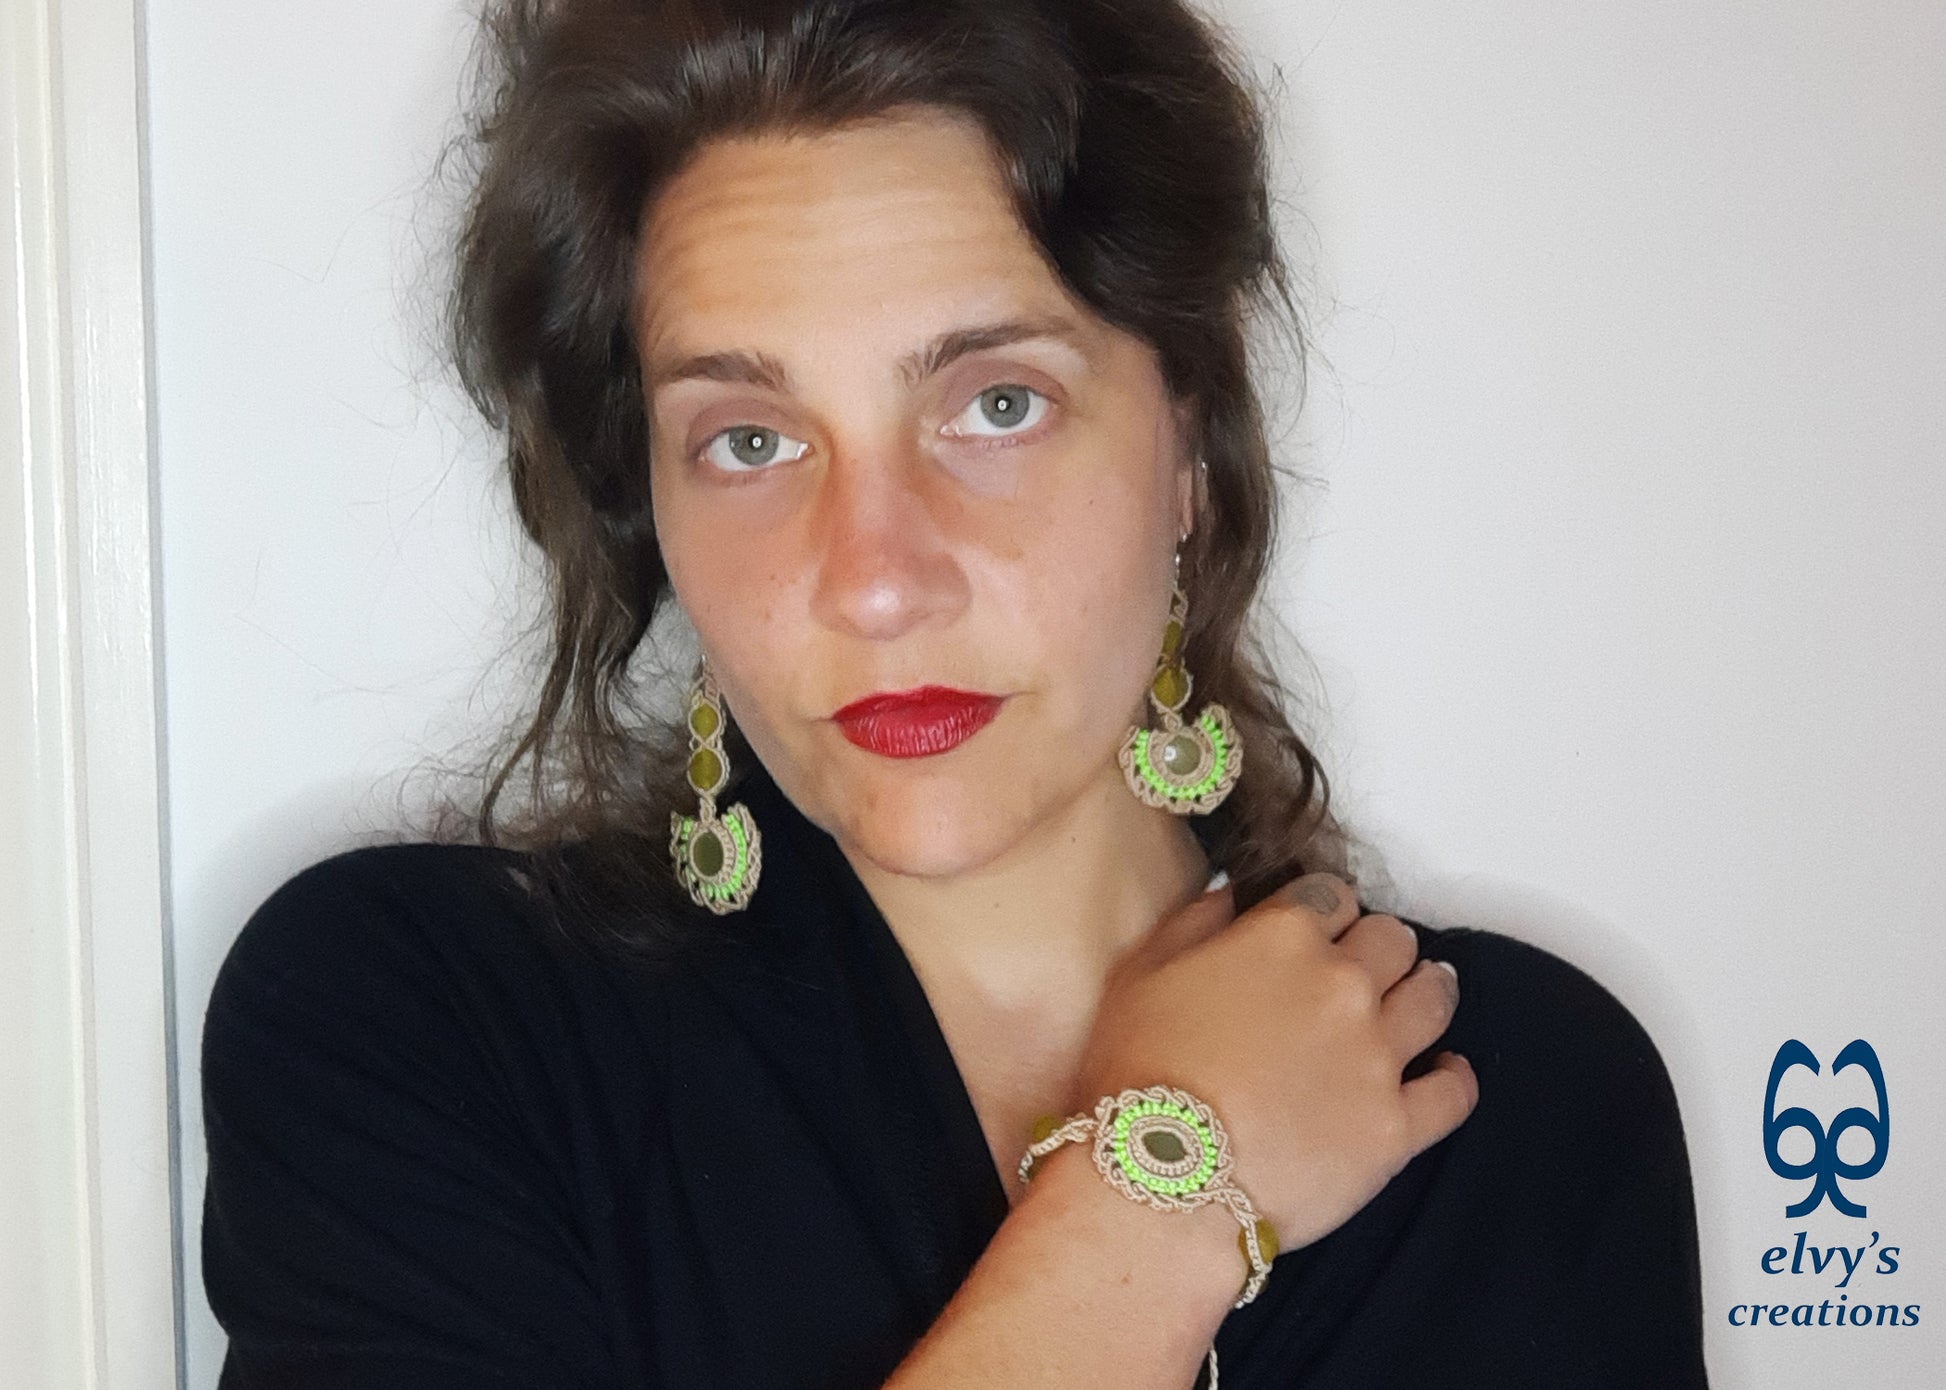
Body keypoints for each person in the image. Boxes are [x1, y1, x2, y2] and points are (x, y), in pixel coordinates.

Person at [199, 1, 1709, 1386]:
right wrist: (1164, 1193)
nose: (873, 579)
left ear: (1189, 445)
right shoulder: (420, 1029)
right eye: (748, 439)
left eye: (996, 404)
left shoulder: (1520, 1104)